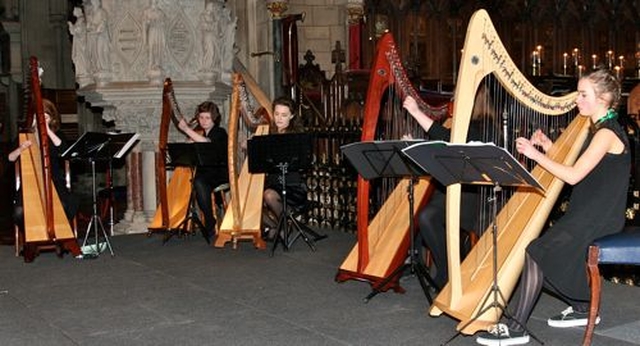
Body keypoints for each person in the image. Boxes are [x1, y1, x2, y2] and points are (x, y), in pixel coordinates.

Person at [476, 68, 630, 345]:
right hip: (588, 212)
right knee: (544, 253)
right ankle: (583, 307)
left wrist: (534, 154)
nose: (577, 100)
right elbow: (582, 164)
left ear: (604, 98)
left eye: (583, 95)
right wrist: (548, 146)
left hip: (599, 217)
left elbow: (572, 175)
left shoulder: (607, 133)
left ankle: (517, 328)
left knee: (537, 252)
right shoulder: (600, 128)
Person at [402, 85, 497, 289]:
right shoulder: (460, 123)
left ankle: (447, 272)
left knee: (427, 216)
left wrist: (417, 113)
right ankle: (445, 266)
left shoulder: (484, 126)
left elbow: (449, 141)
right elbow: (441, 151)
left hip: (472, 195)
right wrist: (416, 147)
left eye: (456, 98)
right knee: (423, 214)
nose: (452, 102)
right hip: (449, 189)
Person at [8, 99, 83, 260]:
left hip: (55, 183)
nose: (42, 118)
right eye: (39, 116)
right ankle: (31, 241)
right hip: (31, 187)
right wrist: (21, 148)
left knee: (62, 206)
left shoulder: (57, 135)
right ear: (33, 117)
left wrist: (47, 130)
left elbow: (65, 151)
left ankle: (61, 238)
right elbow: (10, 158)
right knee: (20, 212)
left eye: (46, 116)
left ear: (52, 118)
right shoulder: (24, 136)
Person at [177, 101, 228, 243]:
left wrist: (187, 130)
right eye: (201, 118)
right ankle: (208, 219)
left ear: (214, 118)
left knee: (199, 181)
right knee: (198, 180)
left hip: (220, 172)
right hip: (205, 173)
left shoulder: (219, 132)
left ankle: (210, 221)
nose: (204, 121)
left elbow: (207, 143)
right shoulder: (199, 134)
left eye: (207, 118)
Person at [261, 96, 307, 240]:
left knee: (268, 195)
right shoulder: (269, 134)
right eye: (276, 114)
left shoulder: (296, 137)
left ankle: (285, 225)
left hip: (292, 186)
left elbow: (301, 163)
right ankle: (278, 226)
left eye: (284, 115)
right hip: (274, 182)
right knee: (248, 204)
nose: (279, 118)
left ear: (292, 116)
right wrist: (252, 148)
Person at [142, 0, 166, 71]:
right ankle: (151, 65)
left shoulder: (160, 12)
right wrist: (144, 40)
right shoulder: (146, 12)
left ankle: (158, 64)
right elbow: (144, 26)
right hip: (152, 31)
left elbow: (163, 24)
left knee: (158, 47)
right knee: (152, 47)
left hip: (159, 32)